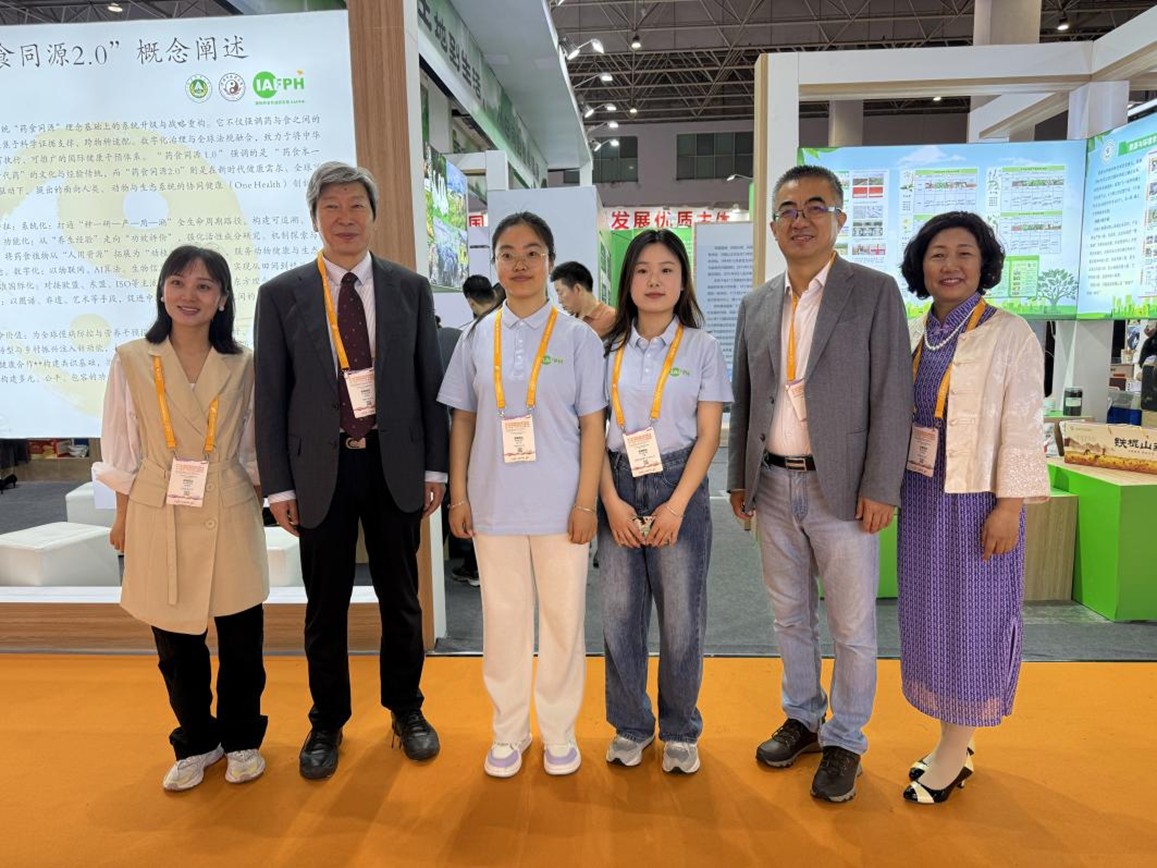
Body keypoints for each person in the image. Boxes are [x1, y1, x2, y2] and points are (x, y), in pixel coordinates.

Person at [253, 161, 448, 780]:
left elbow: (429, 384)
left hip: (395, 465)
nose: (344, 218)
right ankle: (326, 721)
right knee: (325, 606)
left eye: (356, 206)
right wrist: (278, 485)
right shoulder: (281, 294)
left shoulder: (409, 288)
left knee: (402, 599)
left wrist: (436, 470)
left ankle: (407, 709)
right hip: (319, 472)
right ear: (315, 217)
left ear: (373, 216)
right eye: (331, 207)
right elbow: (270, 396)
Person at [728, 164, 911, 803]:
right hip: (773, 484)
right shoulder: (756, 303)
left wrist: (882, 485)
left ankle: (846, 739)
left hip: (846, 489)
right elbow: (746, 397)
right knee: (790, 617)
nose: (799, 219)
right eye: (787, 209)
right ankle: (803, 718)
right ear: (772, 224)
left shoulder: (874, 292)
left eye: (814, 207)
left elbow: (894, 394)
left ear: (840, 218)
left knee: (853, 626)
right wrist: (739, 479)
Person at [95, 245, 269, 792]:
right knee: (174, 643)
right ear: (162, 290)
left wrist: (264, 505)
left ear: (223, 299)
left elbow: (253, 446)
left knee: (241, 638)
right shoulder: (131, 359)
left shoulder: (244, 363)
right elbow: (121, 447)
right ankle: (196, 741)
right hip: (158, 504)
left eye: (204, 286)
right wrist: (122, 517)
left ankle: (241, 738)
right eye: (178, 282)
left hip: (228, 500)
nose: (189, 295)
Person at [439, 211, 606, 779]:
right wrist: (459, 496)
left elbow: (593, 426)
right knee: (504, 622)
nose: (520, 264)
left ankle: (559, 731)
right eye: (507, 254)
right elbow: (463, 419)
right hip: (494, 505)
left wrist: (586, 503)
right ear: (495, 264)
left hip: (561, 507)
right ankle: (508, 731)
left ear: (550, 261)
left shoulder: (579, 338)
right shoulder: (476, 336)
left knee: (562, 622)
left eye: (532, 253)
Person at [897, 211, 1049, 805]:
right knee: (931, 620)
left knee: (972, 623)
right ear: (921, 265)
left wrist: (1009, 506)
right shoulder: (915, 331)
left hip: (977, 501)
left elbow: (1023, 425)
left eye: (964, 253)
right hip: (921, 496)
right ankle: (953, 740)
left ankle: (953, 753)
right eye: (938, 254)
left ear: (984, 263)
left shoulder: (1009, 333)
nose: (951, 265)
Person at [597, 229, 731, 775]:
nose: (654, 280)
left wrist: (676, 506)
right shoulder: (604, 349)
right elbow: (592, 431)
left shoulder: (702, 346)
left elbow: (709, 435)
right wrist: (610, 502)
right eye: (643, 270)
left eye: (667, 270)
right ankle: (630, 725)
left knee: (682, 619)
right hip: (617, 480)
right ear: (627, 281)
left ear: (682, 281)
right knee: (620, 616)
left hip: (680, 481)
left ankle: (679, 729)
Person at [552, 260, 616, 338]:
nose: (559, 301)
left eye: (560, 293)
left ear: (577, 289)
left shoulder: (612, 318)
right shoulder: (569, 324)